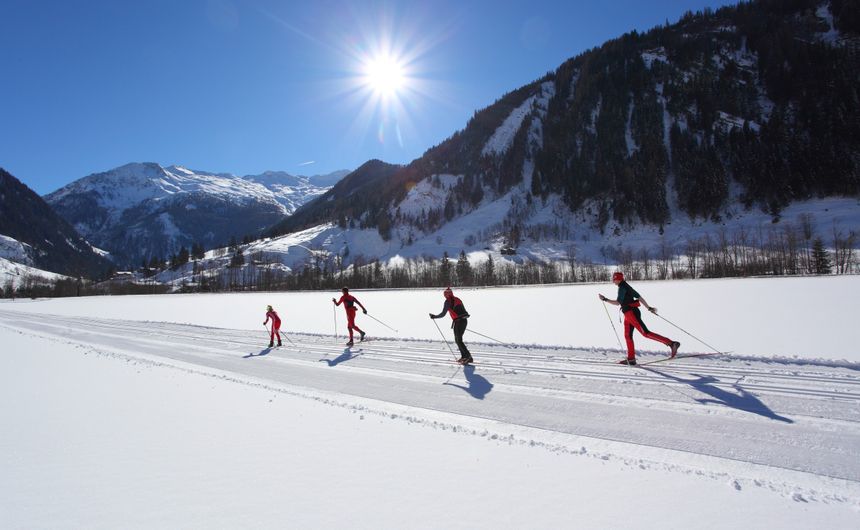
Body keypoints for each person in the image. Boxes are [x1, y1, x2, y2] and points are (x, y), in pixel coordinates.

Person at [598, 272, 679, 365]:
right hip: (628, 314)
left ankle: (672, 343)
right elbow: (639, 297)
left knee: (645, 333)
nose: (613, 281)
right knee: (628, 336)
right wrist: (648, 307)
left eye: (614, 279)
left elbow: (617, 303)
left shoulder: (622, 287)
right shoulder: (626, 286)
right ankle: (631, 359)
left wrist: (605, 299)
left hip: (631, 313)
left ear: (619, 279)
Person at [429, 287, 473, 365]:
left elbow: (443, 314)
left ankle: (468, 357)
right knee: (458, 340)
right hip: (464, 321)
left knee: (458, 340)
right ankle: (464, 356)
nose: (444, 295)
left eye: (445, 294)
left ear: (446, 294)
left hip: (458, 322)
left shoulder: (448, 302)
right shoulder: (457, 299)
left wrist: (434, 316)